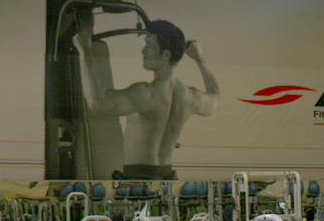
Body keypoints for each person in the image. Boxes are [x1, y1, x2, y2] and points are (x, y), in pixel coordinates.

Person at [73, 19, 219, 180]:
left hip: (139, 181)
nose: (143, 51)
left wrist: (84, 50)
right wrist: (199, 58)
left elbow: (96, 102)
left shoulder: (145, 93)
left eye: (149, 46)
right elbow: (216, 99)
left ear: (165, 55)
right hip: (168, 180)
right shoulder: (191, 97)